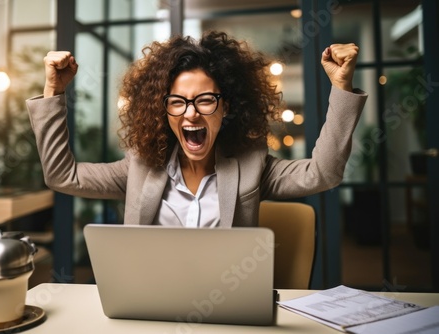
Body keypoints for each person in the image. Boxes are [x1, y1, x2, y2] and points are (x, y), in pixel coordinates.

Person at [26, 30, 367, 228]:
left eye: (205, 100)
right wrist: (54, 91)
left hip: (226, 306)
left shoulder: (253, 167)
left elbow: (323, 173)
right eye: (177, 102)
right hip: (152, 304)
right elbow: (62, 176)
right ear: (164, 110)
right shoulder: (139, 167)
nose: (191, 114)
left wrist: (341, 88)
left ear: (226, 106)